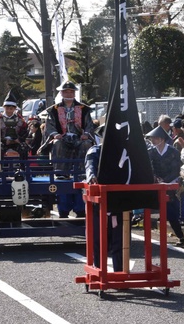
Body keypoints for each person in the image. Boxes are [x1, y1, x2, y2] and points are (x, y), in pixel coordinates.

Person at [45, 81, 94, 217]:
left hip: (79, 139)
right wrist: (55, 135)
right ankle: (61, 172)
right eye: (66, 91)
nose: (68, 94)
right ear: (61, 93)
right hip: (63, 138)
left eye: (71, 92)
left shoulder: (83, 109)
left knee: (86, 145)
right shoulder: (53, 110)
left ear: (74, 93)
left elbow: (89, 126)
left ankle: (83, 172)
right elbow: (50, 127)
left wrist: (86, 134)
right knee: (57, 144)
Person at [147, 126, 184, 248]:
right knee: (170, 214)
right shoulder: (151, 152)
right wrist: (155, 178)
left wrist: (165, 180)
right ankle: (180, 237)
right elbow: (150, 168)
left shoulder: (173, 151)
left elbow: (176, 169)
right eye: (152, 138)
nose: (153, 141)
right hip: (160, 186)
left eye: (156, 138)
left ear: (162, 139)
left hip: (175, 184)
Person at [85, 143, 125, 271]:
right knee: (98, 239)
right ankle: (99, 270)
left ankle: (119, 272)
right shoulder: (95, 150)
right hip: (100, 201)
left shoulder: (125, 149)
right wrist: (91, 176)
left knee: (120, 240)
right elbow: (90, 165)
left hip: (119, 200)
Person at [0, 89, 28, 157]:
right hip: (3, 142)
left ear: (14, 109)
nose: (9, 111)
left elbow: (25, 132)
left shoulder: (20, 119)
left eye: (11, 109)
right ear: (4, 107)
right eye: (7, 108)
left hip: (17, 141)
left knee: (24, 148)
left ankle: (23, 167)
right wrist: (4, 140)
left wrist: (19, 139)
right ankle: (0, 167)